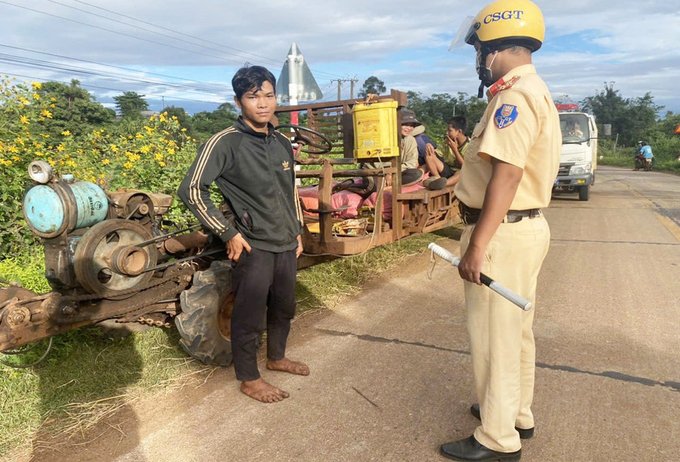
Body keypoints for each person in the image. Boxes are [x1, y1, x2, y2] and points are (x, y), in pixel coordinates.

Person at [441, 1, 561, 460]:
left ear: (492, 47)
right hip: (524, 229)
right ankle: (515, 414)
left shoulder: (511, 98)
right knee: (516, 331)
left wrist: (478, 247)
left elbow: (507, 177)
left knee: (494, 335)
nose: (477, 58)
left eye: (478, 49)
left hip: (503, 234)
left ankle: (496, 436)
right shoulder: (533, 89)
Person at [177, 65, 309, 404]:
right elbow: (191, 189)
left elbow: (289, 190)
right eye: (253, 97)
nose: (263, 104)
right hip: (253, 245)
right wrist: (228, 233)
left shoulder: (280, 141)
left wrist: (297, 230)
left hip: (284, 241)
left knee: (284, 305)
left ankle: (277, 357)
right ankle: (249, 378)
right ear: (238, 101)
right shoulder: (225, 143)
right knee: (249, 313)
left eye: (268, 95)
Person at [423, 116, 469, 190]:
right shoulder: (447, 142)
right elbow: (435, 154)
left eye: (449, 130)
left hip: (460, 173)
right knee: (429, 154)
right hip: (447, 170)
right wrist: (429, 147)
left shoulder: (470, 146)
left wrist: (455, 150)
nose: (447, 133)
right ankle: (437, 178)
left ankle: (444, 184)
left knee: (462, 172)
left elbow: (466, 167)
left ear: (459, 132)